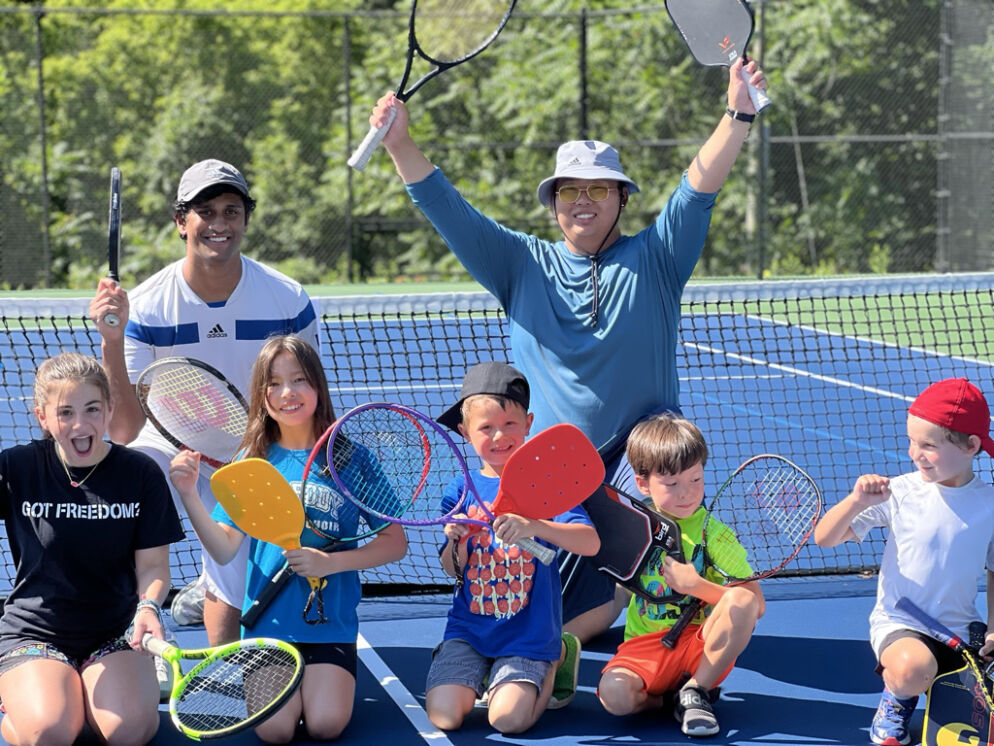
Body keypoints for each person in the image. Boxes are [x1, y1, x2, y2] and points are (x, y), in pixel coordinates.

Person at [369, 56, 769, 643]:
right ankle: (581, 618)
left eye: (599, 188)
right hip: (556, 471)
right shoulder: (520, 262)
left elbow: (697, 190)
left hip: (640, 462)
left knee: (658, 578)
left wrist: (737, 114)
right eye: (570, 190)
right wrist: (400, 144)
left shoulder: (658, 258)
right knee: (530, 598)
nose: (584, 200)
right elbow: (449, 212)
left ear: (621, 198)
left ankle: (657, 612)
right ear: (554, 201)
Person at [88, 158, 320, 646]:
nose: (219, 224)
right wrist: (112, 341)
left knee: (234, 576)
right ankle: (131, 625)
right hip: (170, 443)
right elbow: (124, 430)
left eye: (231, 211)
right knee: (121, 475)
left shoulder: (287, 299)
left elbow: (305, 399)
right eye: (205, 212)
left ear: (246, 220)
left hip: (254, 450)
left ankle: (222, 650)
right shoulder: (147, 306)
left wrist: (294, 468)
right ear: (181, 222)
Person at [168, 335, 407, 742]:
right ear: (262, 397)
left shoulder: (351, 459)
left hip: (330, 626)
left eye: (299, 380)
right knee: (275, 731)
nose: (287, 393)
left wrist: (330, 563)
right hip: (268, 628)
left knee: (326, 724)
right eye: (274, 384)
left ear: (318, 386)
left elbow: (395, 542)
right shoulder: (252, 461)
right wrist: (189, 495)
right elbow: (223, 549)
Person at [0, 352, 183, 746]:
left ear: (109, 409)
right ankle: (28, 706)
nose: (80, 425)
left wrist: (149, 608)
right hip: (35, 631)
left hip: (115, 632)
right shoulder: (16, 468)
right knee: (49, 731)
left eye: (92, 409)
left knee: (128, 732)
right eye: (65, 412)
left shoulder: (140, 473)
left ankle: (74, 696)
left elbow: (153, 566)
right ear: (43, 417)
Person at [814, 378, 994, 746]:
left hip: (960, 631)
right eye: (912, 441)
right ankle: (897, 701)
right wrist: (856, 502)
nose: (915, 453)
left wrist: (993, 628)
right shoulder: (900, 492)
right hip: (902, 623)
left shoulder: (989, 505)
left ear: (971, 446)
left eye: (929, 445)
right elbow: (824, 538)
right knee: (912, 669)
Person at [427, 361, 601, 734]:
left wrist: (534, 525)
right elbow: (450, 568)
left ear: (528, 423)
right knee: (444, 716)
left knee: (508, 721)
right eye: (485, 427)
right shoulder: (460, 491)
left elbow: (590, 543)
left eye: (509, 424)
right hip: (470, 630)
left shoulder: (548, 482)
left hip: (529, 634)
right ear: (465, 432)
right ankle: (486, 671)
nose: (499, 435)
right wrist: (459, 539)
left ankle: (555, 659)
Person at [597, 414, 763, 738]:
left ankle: (696, 690)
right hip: (645, 647)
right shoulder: (633, 526)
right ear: (643, 484)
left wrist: (696, 586)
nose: (686, 493)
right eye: (672, 484)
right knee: (613, 696)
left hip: (700, 645)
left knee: (741, 600)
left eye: (695, 479)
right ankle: (668, 701)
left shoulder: (715, 534)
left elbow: (755, 604)